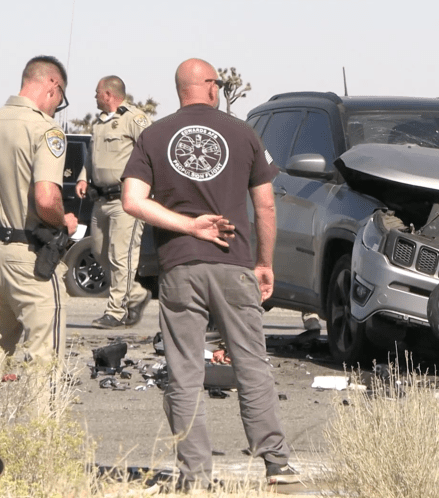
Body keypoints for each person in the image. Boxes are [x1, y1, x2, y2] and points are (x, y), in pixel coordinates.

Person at [121, 58, 298, 489]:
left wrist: (187, 226)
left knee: (184, 372)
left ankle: (195, 476)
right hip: (234, 262)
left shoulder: (153, 135)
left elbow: (131, 200)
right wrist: (264, 263)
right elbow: (266, 206)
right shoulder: (243, 133)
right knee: (251, 365)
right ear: (213, 87)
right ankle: (276, 465)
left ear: (180, 89)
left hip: (180, 266)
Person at [0, 55, 78, 380]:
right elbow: (46, 198)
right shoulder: (46, 130)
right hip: (32, 258)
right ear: (53, 86)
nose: (57, 107)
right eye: (60, 99)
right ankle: (44, 433)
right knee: (45, 359)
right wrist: (62, 221)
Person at [76, 76, 152, 329]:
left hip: (125, 201)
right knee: (99, 252)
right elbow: (91, 158)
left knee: (122, 257)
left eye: (97, 92)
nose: (95, 97)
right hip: (100, 200)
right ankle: (138, 295)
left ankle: (116, 312)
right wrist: (83, 178)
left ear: (108, 94)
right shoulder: (99, 124)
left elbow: (153, 151)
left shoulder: (134, 119)